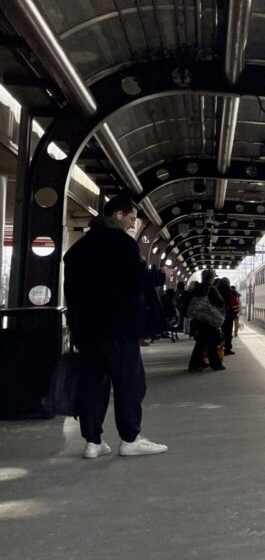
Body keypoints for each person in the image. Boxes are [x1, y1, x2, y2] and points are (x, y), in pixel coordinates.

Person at [63, 195, 171, 459]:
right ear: (118, 215)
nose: (133, 224)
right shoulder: (122, 243)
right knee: (129, 385)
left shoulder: (79, 248)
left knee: (92, 386)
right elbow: (137, 276)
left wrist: (75, 325)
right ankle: (130, 439)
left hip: (88, 331)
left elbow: (71, 292)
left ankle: (93, 442)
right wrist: (160, 275)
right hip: (119, 328)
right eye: (131, 219)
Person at [187, 270, 226, 372]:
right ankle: (216, 365)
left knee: (200, 342)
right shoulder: (211, 289)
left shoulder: (197, 288)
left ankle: (195, 364)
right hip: (209, 319)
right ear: (211, 278)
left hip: (198, 318)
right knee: (212, 343)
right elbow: (221, 303)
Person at [217, 278, 239, 354]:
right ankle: (227, 349)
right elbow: (235, 305)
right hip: (228, 315)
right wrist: (234, 313)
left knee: (219, 331)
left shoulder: (216, 291)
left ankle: (218, 348)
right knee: (228, 333)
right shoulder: (231, 292)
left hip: (217, 315)